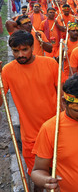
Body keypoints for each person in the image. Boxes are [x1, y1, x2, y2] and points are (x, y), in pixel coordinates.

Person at [0, 30, 58, 190]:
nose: (20, 54)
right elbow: (0, 102)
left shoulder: (50, 64)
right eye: (15, 51)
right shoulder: (7, 70)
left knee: (59, 177)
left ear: (33, 47)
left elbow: (62, 97)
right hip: (31, 137)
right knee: (38, 179)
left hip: (56, 132)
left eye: (24, 49)